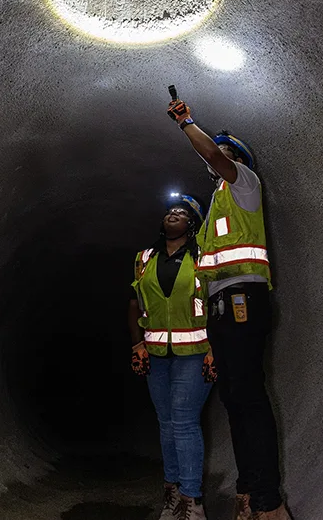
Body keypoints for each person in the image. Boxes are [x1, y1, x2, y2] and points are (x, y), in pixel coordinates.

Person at [165, 98, 292, 520]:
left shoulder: (245, 185)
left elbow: (214, 155)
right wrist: (213, 346)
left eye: (227, 153)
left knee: (249, 398)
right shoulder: (214, 211)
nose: (218, 160)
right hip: (222, 309)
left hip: (243, 300)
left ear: (239, 160)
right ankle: (249, 493)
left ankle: (270, 505)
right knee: (236, 401)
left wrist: (187, 124)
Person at [129, 194, 219, 520]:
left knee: (183, 421)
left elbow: (216, 301)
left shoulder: (203, 257)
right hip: (156, 355)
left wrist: (215, 348)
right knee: (166, 425)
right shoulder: (145, 257)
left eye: (181, 212)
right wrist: (137, 345)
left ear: (191, 224)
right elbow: (135, 303)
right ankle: (171, 496)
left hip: (195, 352)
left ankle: (192, 502)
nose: (173, 214)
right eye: (169, 211)